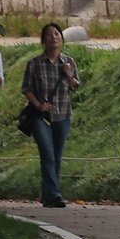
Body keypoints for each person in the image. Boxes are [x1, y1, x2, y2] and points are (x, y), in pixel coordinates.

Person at [21, 22, 82, 208]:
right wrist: (39, 105)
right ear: (43, 40)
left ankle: (47, 195)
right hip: (40, 116)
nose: (53, 37)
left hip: (63, 114)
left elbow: (76, 86)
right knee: (47, 154)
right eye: (49, 34)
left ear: (62, 39)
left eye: (56, 33)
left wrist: (70, 75)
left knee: (56, 155)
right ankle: (55, 195)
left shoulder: (69, 62)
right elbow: (26, 89)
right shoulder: (35, 63)